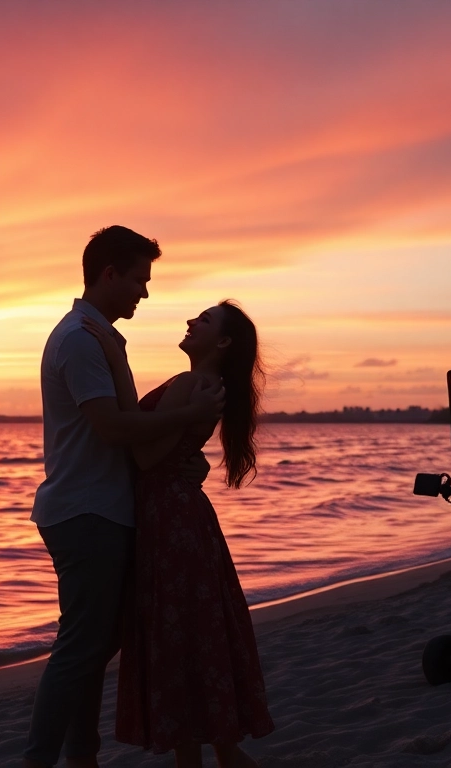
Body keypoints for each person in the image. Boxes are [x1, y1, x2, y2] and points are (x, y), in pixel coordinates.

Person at [24, 226, 225, 768]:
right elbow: (112, 427)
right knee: (81, 648)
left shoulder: (100, 337)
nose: (144, 291)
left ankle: (80, 758)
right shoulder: (80, 340)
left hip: (101, 508)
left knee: (92, 646)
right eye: (139, 279)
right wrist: (190, 417)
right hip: (85, 510)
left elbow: (129, 432)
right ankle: (44, 759)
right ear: (109, 274)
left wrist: (185, 451)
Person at [82, 300, 274, 768]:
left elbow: (146, 457)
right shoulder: (206, 385)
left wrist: (114, 362)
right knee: (191, 635)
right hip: (181, 519)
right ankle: (223, 750)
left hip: (170, 523)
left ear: (223, 342)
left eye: (205, 320)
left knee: (177, 639)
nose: (191, 321)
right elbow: (163, 447)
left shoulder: (194, 384)